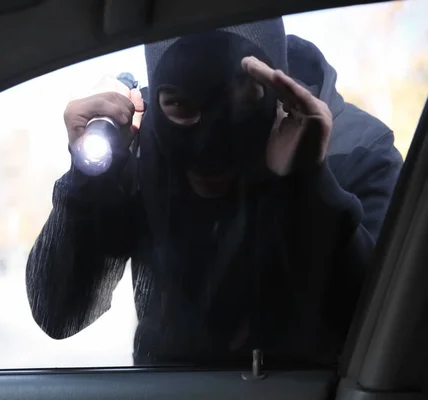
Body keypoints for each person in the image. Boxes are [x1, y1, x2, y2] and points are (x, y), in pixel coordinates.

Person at [26, 18, 402, 366]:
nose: (207, 147)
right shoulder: (142, 144)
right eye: (179, 106)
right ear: (157, 97)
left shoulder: (357, 150)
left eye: (238, 102)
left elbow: (383, 334)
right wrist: (91, 179)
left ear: (276, 89)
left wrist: (310, 184)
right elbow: (59, 313)